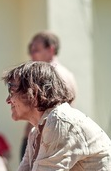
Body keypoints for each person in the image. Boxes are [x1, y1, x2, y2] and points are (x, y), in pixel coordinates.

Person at [20, 31, 78, 160]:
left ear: (51, 49)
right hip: (58, 137)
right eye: (31, 50)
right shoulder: (68, 74)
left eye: (36, 50)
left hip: (44, 139)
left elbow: (44, 111)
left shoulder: (48, 74)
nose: (31, 54)